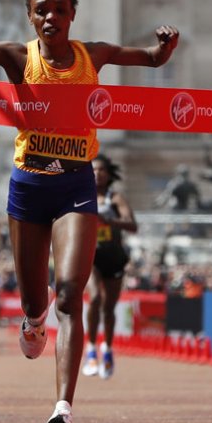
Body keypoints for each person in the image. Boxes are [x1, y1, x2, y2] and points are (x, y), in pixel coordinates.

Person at [0, 0, 178, 423]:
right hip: (28, 187)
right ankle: (30, 321)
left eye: (60, 8)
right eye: (41, 9)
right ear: (31, 16)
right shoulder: (17, 58)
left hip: (75, 185)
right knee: (36, 300)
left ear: (73, 14)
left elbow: (151, 61)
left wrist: (164, 47)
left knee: (69, 293)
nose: (51, 17)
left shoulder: (96, 55)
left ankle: (62, 410)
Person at [82, 154, 137, 380]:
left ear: (108, 174)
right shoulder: (82, 196)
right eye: (93, 170)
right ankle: (91, 349)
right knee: (95, 298)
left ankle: (108, 349)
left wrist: (110, 220)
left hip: (114, 257)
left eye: (102, 170)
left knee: (109, 307)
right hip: (90, 256)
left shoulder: (116, 198)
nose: (98, 174)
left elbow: (132, 225)